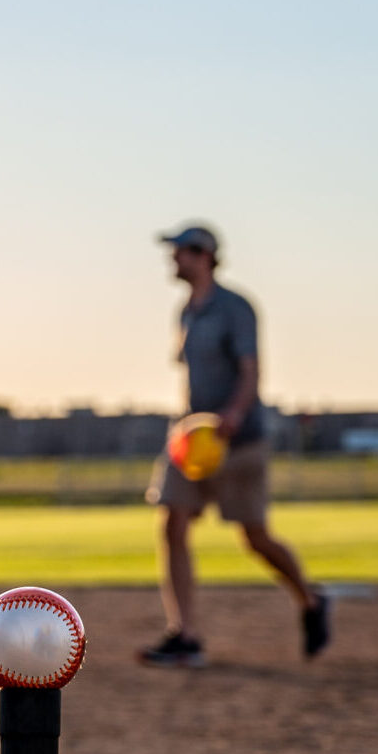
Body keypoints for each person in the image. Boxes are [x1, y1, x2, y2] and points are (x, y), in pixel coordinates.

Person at [137, 223, 329, 668]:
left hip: (238, 440)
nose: (172, 260)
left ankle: (310, 601)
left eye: (179, 252)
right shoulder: (186, 310)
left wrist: (235, 414)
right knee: (173, 523)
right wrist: (188, 427)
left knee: (255, 538)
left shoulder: (235, 308)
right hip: (193, 441)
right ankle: (183, 634)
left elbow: (249, 371)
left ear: (202, 255)